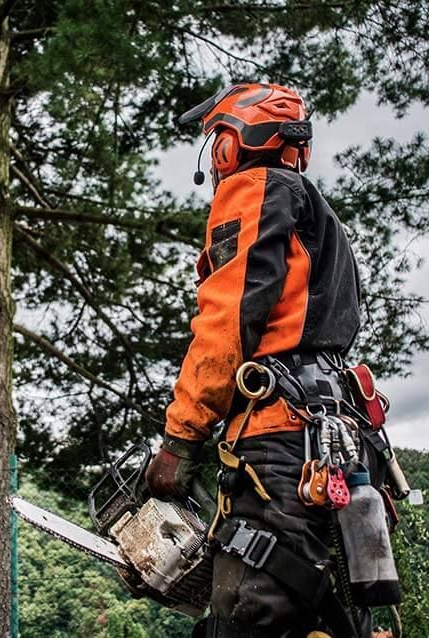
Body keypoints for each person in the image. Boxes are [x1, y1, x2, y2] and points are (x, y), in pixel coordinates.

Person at [145, 84, 399, 637]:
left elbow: (226, 323)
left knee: (250, 617)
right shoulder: (319, 215)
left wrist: (179, 437)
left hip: (280, 446)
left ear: (231, 145)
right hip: (337, 442)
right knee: (326, 618)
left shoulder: (252, 190)